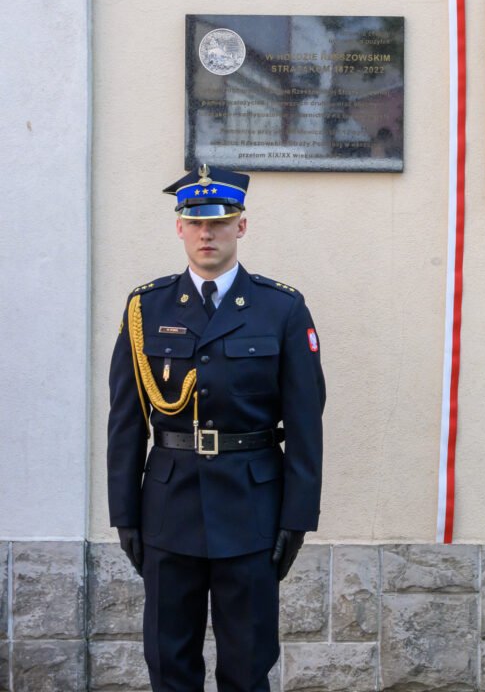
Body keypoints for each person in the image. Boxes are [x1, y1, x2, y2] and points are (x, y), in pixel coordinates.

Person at [106, 164, 325, 692]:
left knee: (247, 667)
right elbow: (126, 422)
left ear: (241, 226)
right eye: (196, 222)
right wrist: (125, 514)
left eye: (220, 222)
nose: (207, 233)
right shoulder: (145, 308)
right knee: (169, 664)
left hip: (251, 510)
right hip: (169, 509)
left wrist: (297, 517)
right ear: (179, 227)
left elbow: (305, 422)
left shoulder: (281, 308)